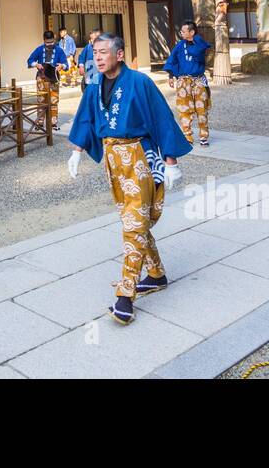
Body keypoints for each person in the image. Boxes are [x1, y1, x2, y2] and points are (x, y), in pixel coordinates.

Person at [67, 33, 192, 325]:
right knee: (133, 221)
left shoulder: (140, 82)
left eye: (102, 52)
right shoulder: (95, 83)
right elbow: (85, 117)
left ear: (119, 54)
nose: (97, 57)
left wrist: (170, 161)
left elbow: (161, 117)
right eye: (94, 53)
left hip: (138, 157)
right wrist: (76, 151)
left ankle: (125, 296)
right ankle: (157, 274)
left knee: (134, 224)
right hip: (112, 160)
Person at [163, 21, 212, 147]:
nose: (181, 33)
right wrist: (170, 76)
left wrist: (193, 38)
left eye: (183, 31)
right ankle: (187, 136)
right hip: (183, 81)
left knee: (202, 109)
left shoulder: (200, 43)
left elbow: (200, 51)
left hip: (198, 80)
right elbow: (172, 60)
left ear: (192, 32)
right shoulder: (180, 45)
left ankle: (203, 136)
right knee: (184, 110)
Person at [27, 30, 68, 128]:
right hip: (41, 77)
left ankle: (53, 123)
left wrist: (61, 66)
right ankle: (40, 123)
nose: (50, 44)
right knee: (41, 100)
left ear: (54, 39)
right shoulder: (39, 49)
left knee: (54, 101)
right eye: (47, 42)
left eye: (51, 42)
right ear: (44, 40)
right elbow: (30, 60)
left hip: (54, 78)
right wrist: (36, 64)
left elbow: (66, 64)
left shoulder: (59, 50)